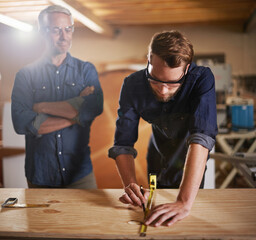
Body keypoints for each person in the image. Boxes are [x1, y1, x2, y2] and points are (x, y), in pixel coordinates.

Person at [108, 30, 217, 227]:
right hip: (157, 156)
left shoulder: (202, 79)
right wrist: (130, 184)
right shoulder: (132, 85)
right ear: (149, 60)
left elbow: (201, 136)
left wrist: (184, 202)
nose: (163, 89)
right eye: (156, 79)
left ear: (187, 69)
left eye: (173, 83)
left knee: (184, 221)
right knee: (153, 214)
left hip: (190, 159)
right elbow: (123, 143)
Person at [11, 5, 103, 189]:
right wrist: (76, 114)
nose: (64, 36)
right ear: (42, 33)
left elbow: (93, 109)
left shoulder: (85, 70)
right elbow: (21, 123)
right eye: (56, 30)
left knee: (86, 219)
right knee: (41, 220)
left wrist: (41, 107)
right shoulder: (26, 75)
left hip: (80, 175)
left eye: (68, 29)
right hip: (41, 175)